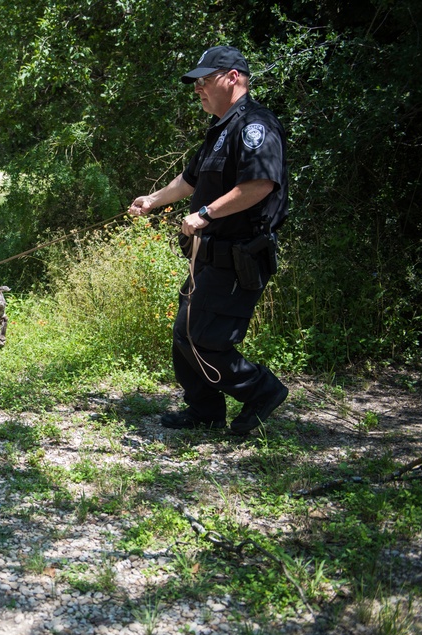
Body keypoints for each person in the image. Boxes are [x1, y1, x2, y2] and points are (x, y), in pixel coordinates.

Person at [128, 45, 289, 435]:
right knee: (185, 332)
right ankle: (205, 412)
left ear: (232, 77)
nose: (198, 88)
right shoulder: (220, 129)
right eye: (195, 83)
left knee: (203, 337)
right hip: (209, 256)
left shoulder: (256, 125)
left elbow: (260, 185)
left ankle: (261, 390)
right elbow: (191, 180)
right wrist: (153, 199)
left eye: (204, 80)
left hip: (239, 255)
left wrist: (205, 214)